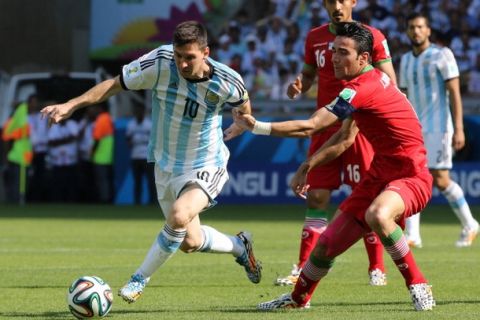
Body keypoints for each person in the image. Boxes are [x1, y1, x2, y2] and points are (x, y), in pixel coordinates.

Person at [41, 20, 262, 304]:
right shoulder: (159, 62)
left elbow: (243, 106)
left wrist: (241, 124)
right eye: (179, 56)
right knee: (190, 242)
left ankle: (139, 278)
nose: (182, 64)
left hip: (206, 162)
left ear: (206, 52)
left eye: (190, 57)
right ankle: (239, 247)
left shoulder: (227, 81)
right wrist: (71, 105)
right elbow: (114, 84)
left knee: (180, 215)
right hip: (165, 164)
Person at [234, 22, 435, 311]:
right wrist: (309, 163)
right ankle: (297, 300)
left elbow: (311, 126)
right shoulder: (370, 83)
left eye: (342, 53)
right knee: (326, 246)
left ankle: (418, 284)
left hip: (411, 175)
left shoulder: (361, 88)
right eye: (333, 51)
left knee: (378, 214)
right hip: (380, 176)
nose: (333, 59)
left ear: (363, 59)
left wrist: (257, 126)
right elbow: (344, 138)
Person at [275, 0, 397, 287]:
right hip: (324, 127)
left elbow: (389, 80)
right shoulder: (314, 37)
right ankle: (303, 268)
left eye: (342, 0)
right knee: (316, 197)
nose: (337, 6)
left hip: (359, 126)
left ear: (354, 2)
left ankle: (376, 267)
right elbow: (307, 75)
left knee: (365, 197)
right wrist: (299, 85)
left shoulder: (373, 37)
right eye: (330, 1)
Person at [399, 12, 479, 248]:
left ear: (428, 30)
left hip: (439, 128)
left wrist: (459, 128)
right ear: (407, 31)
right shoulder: (405, 60)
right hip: (415, 129)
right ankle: (413, 234)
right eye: (412, 27)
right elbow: (404, 96)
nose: (416, 31)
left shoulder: (442, 55)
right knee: (414, 176)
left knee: (441, 180)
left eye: (420, 27)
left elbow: (454, 93)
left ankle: (470, 224)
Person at [126, 102, 156, 204]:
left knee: (151, 181)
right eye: (136, 111)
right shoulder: (131, 124)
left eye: (140, 111)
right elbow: (128, 139)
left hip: (147, 156)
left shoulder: (149, 124)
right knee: (137, 181)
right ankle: (137, 202)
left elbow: (154, 140)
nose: (138, 113)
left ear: (143, 112)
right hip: (135, 156)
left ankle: (152, 202)